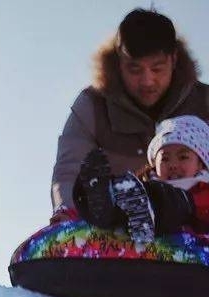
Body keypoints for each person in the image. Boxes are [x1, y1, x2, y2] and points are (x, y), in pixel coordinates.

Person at [50, 8, 209, 219]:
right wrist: (66, 214)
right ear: (119, 62)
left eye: (157, 68)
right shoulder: (93, 106)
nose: (147, 81)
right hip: (123, 237)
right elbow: (70, 170)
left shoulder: (204, 102)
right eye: (135, 69)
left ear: (174, 59)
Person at [74, 115, 209, 238]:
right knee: (124, 193)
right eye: (165, 159)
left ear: (201, 164)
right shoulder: (142, 184)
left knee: (172, 200)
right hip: (140, 216)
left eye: (183, 157)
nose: (173, 165)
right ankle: (100, 201)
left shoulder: (203, 189)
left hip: (186, 229)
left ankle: (144, 216)